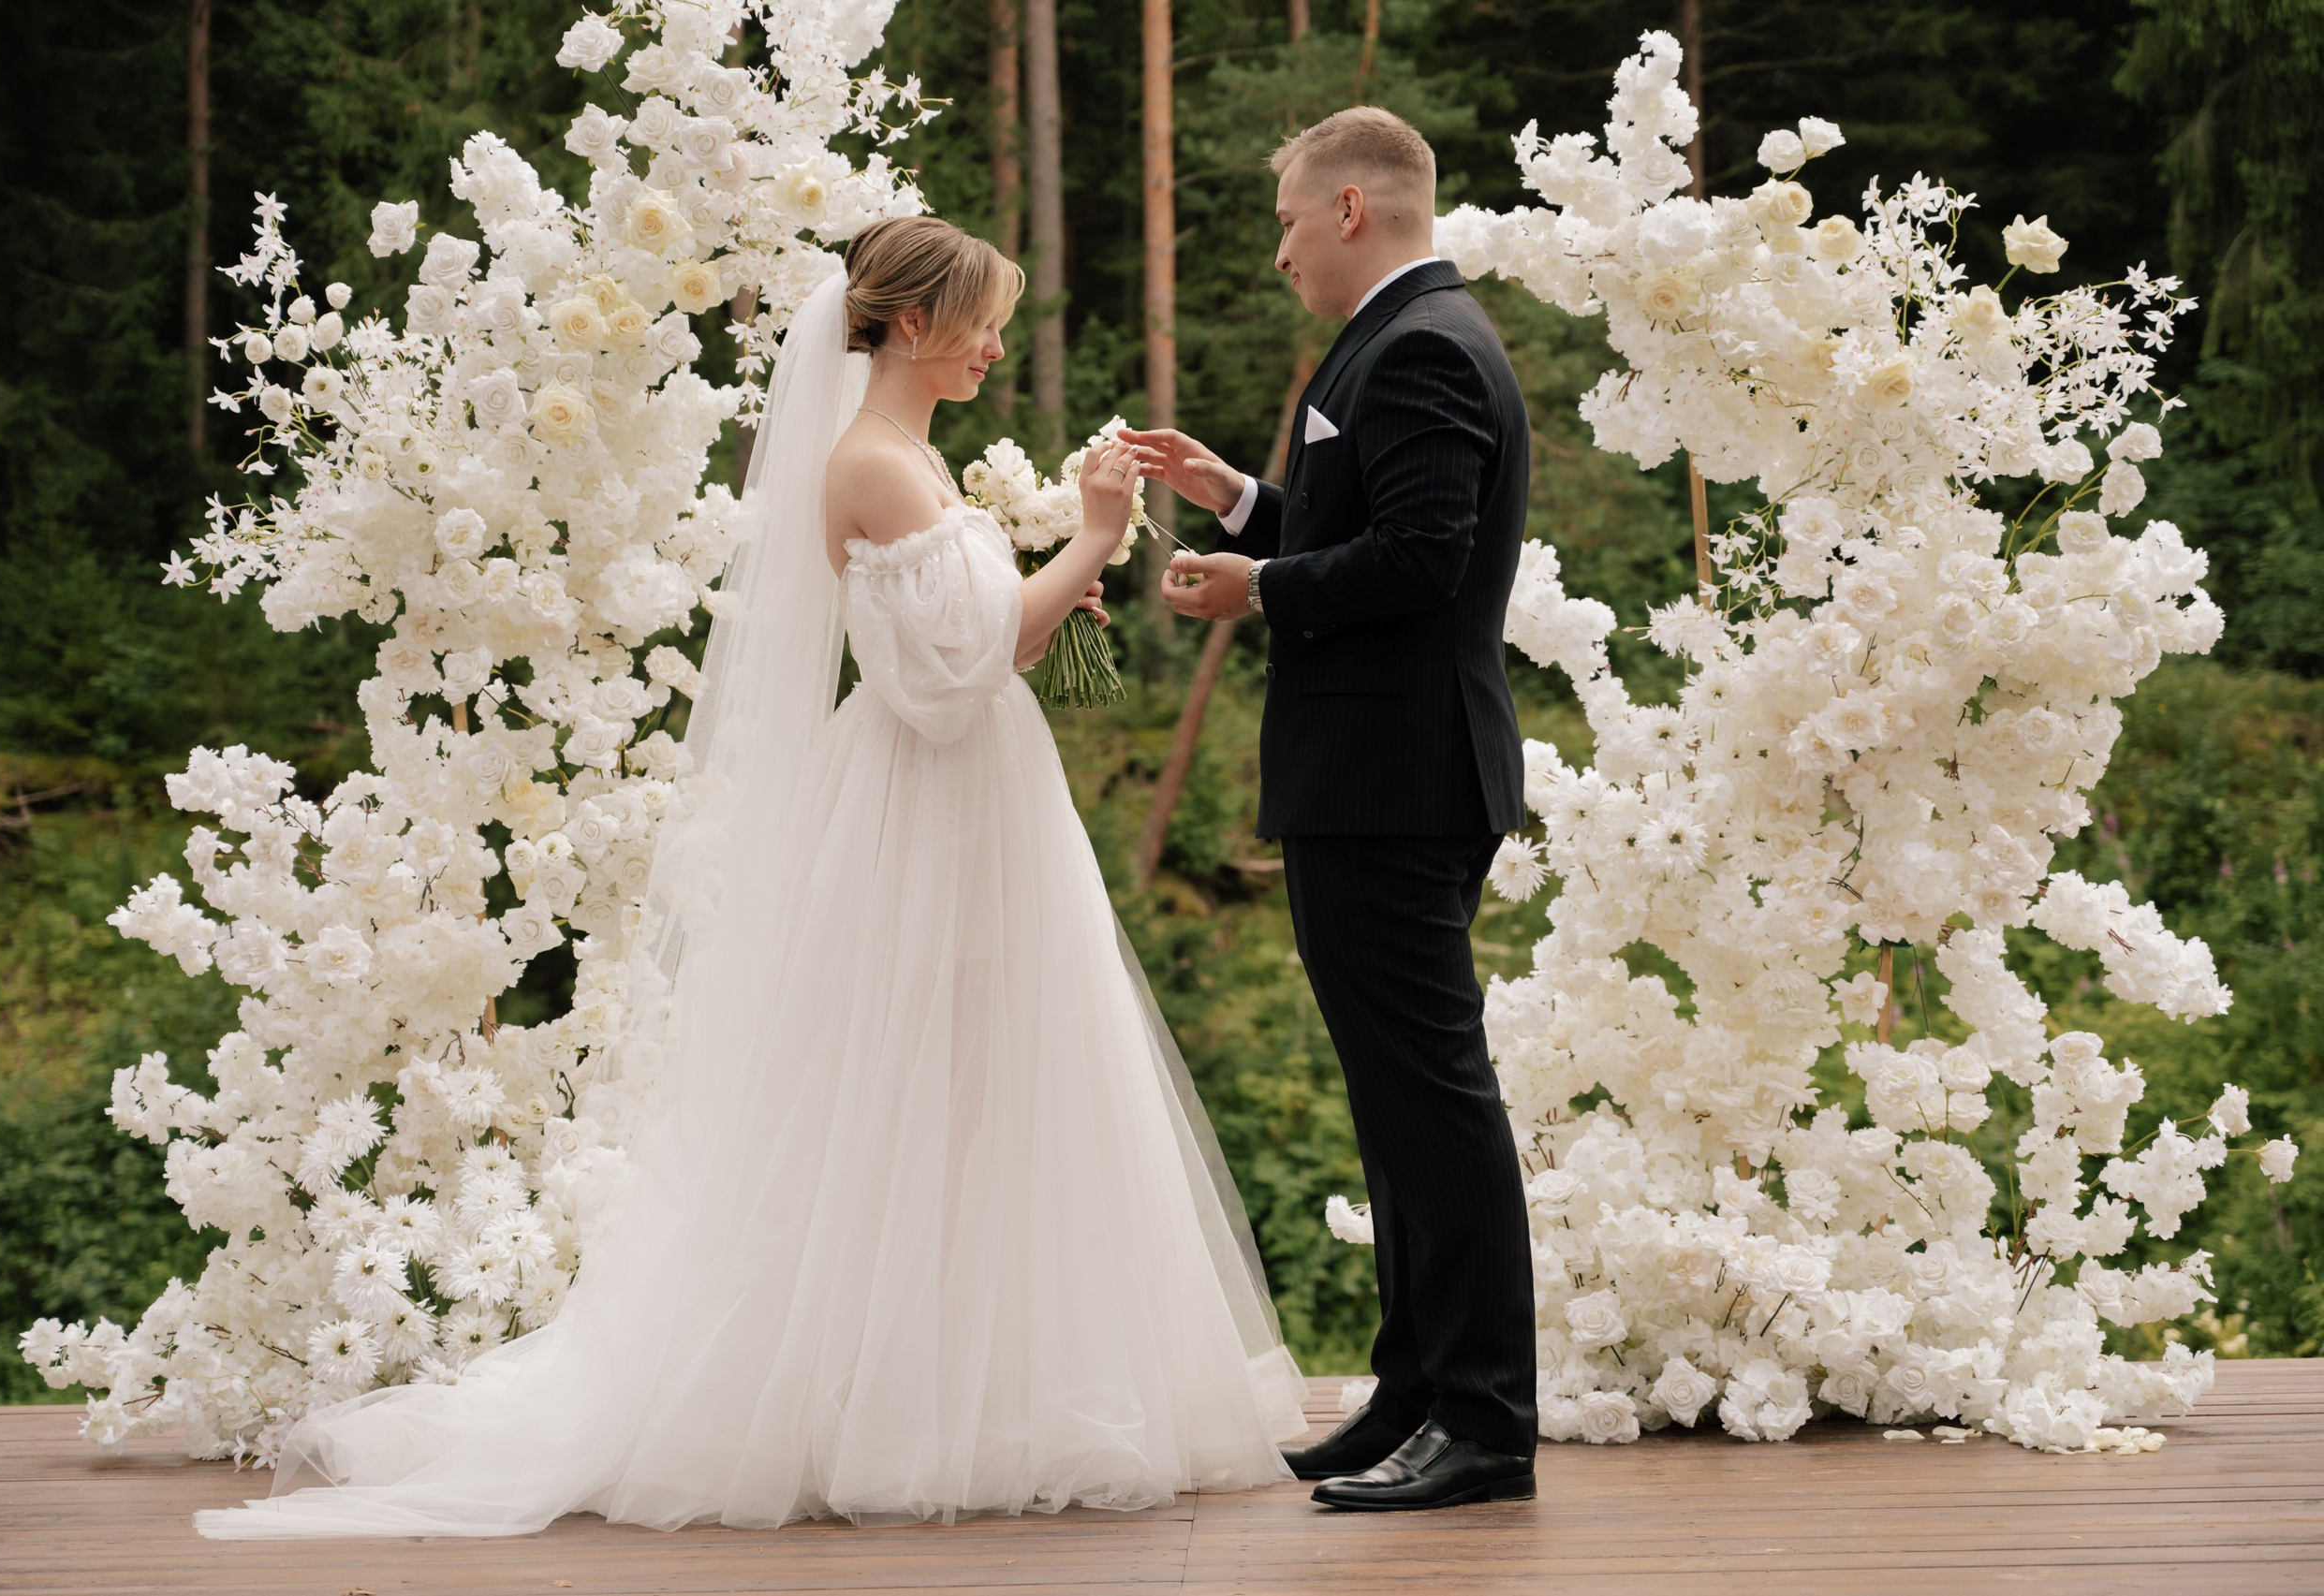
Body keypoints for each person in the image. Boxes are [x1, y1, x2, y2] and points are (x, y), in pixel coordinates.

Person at [196, 216, 1308, 1540]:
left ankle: (977, 1377)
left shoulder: (907, 455)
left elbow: (951, 649)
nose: (1000, 346)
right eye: (983, 322)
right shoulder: (878, 467)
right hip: (932, 809)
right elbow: (947, 686)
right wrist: (1091, 538)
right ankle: (902, 1399)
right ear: (909, 325)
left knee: (974, 1091)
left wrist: (1052, 573)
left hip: (969, 810)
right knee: (912, 1094)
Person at [1124, 107, 1538, 1513]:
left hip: (1397, 779)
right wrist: (1241, 501)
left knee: (1434, 1100)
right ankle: (1415, 1389)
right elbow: (1370, 521)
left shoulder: (1419, 344)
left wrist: (1263, 592)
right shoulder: (1405, 336)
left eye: (1292, 219)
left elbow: (1422, 556)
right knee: (1398, 1104)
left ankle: (1484, 1418)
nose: (1282, 246)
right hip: (1382, 774)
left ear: (1353, 208)